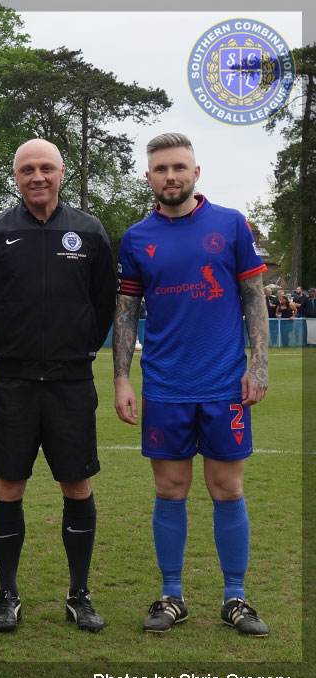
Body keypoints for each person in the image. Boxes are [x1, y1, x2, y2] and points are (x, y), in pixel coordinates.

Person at [114, 132, 270, 636]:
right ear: (149, 178)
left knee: (228, 488)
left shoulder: (230, 225)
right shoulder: (137, 238)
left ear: (196, 173)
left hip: (224, 384)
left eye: (179, 167)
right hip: (164, 386)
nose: (171, 176)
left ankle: (235, 597)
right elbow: (126, 313)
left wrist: (259, 364)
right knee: (170, 489)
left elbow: (254, 297)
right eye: (161, 169)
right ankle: (172, 594)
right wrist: (122, 378)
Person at [0, 138, 115, 633]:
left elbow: (102, 306)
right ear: (15, 176)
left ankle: (79, 594)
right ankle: (7, 594)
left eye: (46, 168)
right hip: (12, 381)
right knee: (9, 485)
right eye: (27, 169)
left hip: (72, 382)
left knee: (77, 484)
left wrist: (74, 347)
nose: (37, 177)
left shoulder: (90, 231)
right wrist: (9, 348)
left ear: (62, 172)